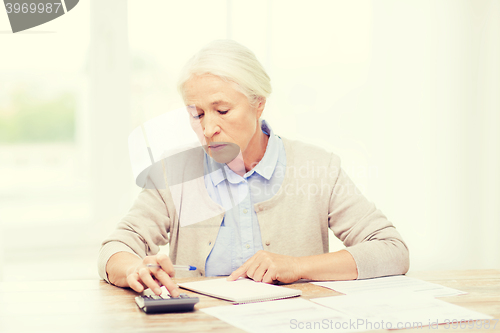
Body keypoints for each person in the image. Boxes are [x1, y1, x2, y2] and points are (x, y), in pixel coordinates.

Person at [98, 39, 409, 298]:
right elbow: (116, 247)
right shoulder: (173, 172)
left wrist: (297, 267)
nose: (208, 129)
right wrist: (134, 268)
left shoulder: (318, 168)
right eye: (197, 114)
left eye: (222, 110)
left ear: (258, 103)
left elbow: (392, 250)